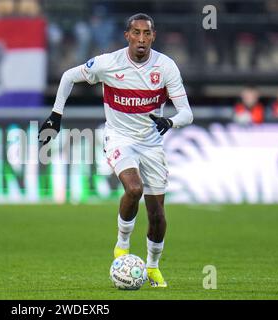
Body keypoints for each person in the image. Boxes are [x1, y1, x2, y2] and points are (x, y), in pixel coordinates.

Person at [38, 13, 193, 288]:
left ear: (153, 37)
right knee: (134, 189)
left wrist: (169, 121)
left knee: (157, 214)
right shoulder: (109, 63)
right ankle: (122, 245)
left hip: (151, 142)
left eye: (147, 34)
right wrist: (56, 115)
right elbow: (68, 76)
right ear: (127, 36)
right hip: (119, 137)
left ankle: (153, 267)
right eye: (136, 33)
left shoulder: (166, 67)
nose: (141, 39)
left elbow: (187, 114)